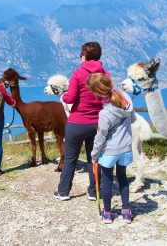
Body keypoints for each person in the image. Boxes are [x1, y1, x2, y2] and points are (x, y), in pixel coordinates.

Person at [54, 42, 109, 201]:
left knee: (71, 158)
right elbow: (107, 97)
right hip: (98, 123)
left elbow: (70, 98)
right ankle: (94, 191)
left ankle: (63, 192)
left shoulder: (78, 73)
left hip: (77, 123)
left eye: (81, 54)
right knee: (95, 158)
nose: (80, 57)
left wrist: (63, 96)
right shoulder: (105, 74)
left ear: (85, 56)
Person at [86, 73, 136, 224]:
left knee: (107, 181)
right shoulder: (126, 98)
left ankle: (107, 213)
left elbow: (100, 137)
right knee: (123, 178)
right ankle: (126, 212)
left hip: (110, 152)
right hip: (126, 148)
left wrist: (94, 157)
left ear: (96, 93)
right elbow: (132, 118)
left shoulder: (105, 113)